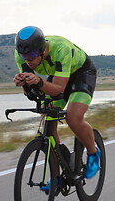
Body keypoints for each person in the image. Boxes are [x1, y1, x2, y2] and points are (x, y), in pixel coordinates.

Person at [13, 26, 100, 186]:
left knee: (73, 118)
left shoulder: (61, 49)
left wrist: (38, 81)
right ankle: (57, 176)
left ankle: (93, 153)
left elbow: (59, 90)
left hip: (81, 74)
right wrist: (24, 84)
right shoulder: (23, 57)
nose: (28, 60)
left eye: (31, 55)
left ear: (41, 50)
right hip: (59, 75)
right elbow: (32, 93)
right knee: (48, 122)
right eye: (23, 56)